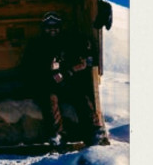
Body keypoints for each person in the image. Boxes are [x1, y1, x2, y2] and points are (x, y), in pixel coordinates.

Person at [23, 11, 108, 147]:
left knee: (82, 97)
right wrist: (47, 75)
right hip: (47, 85)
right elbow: (29, 69)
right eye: (48, 26)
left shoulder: (69, 41)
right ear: (43, 28)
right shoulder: (36, 45)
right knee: (50, 100)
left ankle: (94, 131)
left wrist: (66, 72)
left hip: (68, 83)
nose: (52, 30)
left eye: (55, 26)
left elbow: (82, 63)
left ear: (60, 27)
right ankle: (57, 136)